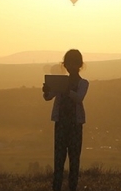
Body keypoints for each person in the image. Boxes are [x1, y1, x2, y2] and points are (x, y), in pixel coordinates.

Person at [42, 49, 89, 191]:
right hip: (61, 123)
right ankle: (56, 187)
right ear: (65, 65)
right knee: (59, 158)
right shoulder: (62, 83)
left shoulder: (83, 83)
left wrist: (66, 89)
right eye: (68, 64)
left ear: (79, 65)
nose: (71, 67)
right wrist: (46, 90)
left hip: (74, 124)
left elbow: (79, 98)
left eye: (73, 64)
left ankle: (72, 187)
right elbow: (49, 97)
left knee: (74, 159)